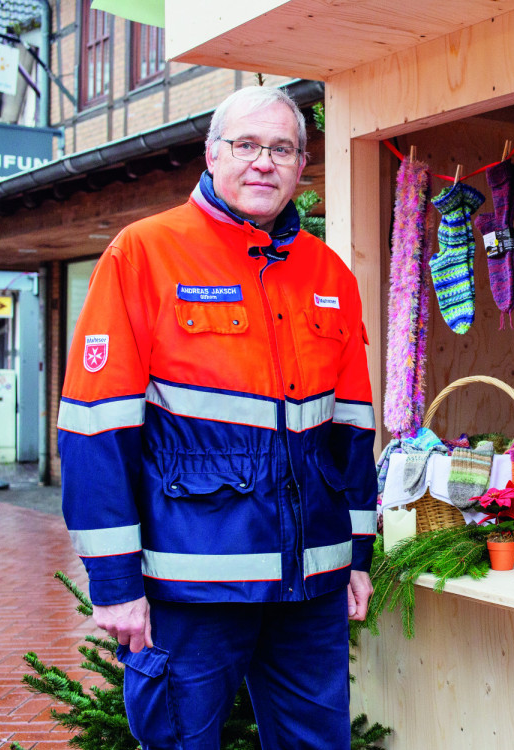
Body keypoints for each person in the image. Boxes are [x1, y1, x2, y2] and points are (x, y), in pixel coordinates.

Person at [57, 86, 376, 750]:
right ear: (211, 154)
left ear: (301, 165)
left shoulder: (330, 275)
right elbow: (96, 429)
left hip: (310, 584)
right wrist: (114, 587)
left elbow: (350, 430)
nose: (264, 162)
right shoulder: (143, 254)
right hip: (191, 586)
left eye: (282, 148)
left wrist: (357, 556)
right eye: (246, 145)